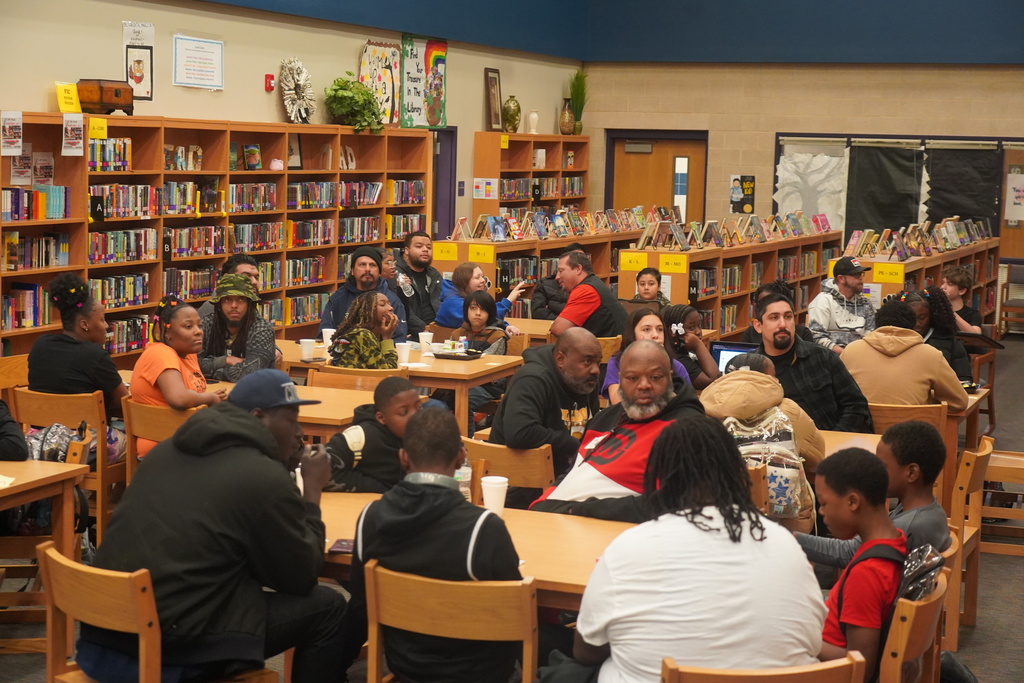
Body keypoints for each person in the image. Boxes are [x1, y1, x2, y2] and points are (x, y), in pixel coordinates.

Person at [76, 369, 346, 683]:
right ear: (259, 418)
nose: (300, 433)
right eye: (291, 419)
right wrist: (311, 490)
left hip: (103, 634)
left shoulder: (165, 451)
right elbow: (300, 578)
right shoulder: (261, 476)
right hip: (170, 649)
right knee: (328, 607)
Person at [568, 416, 826, 681]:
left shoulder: (627, 549)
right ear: (736, 470)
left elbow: (586, 651)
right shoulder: (787, 546)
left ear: (660, 476)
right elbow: (813, 641)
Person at [339, 407, 522, 683]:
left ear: (403, 457)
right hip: (480, 672)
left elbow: (361, 603)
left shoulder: (370, 517)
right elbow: (515, 615)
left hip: (405, 665)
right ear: (461, 458)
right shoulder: (482, 527)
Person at [531, 341, 704, 523]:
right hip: (550, 516)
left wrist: (576, 510)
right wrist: (546, 503)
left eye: (655, 377)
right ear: (620, 380)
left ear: (669, 377)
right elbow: (574, 470)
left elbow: (674, 503)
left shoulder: (687, 430)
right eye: (632, 378)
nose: (643, 385)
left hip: (600, 529)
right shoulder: (605, 418)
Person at [700, 352, 825, 533]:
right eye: (775, 376)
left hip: (723, 521)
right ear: (767, 379)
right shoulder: (788, 411)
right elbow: (818, 458)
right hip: (787, 527)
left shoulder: (704, 413)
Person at [797, 421, 951, 568]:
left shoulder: (909, 526)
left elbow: (847, 553)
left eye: (882, 466)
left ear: (911, 473)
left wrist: (787, 537)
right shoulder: (927, 510)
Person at [816, 447, 906, 683]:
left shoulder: (868, 573)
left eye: (824, 503)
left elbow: (860, 668)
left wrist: (802, 639)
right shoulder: (895, 539)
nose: (821, 512)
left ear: (853, 501)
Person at [752, 293, 872, 433]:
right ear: (758, 326)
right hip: (768, 448)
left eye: (788, 316)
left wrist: (833, 438)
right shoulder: (750, 369)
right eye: (774, 318)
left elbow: (856, 406)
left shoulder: (823, 357)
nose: (783, 324)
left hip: (826, 443)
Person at [489, 328, 602, 475]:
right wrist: (571, 444)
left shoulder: (586, 381)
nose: (595, 370)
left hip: (569, 473)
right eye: (587, 361)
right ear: (561, 359)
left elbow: (592, 428)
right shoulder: (533, 379)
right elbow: (520, 433)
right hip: (520, 479)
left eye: (598, 363)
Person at [128, 296, 228, 456]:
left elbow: (189, 395)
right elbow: (179, 399)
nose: (198, 331)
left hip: (187, 436)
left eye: (199, 325)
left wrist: (206, 398)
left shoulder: (188, 354)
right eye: (188, 326)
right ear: (167, 332)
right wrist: (209, 399)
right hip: (163, 445)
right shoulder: (160, 353)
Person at [28, 273, 128, 422]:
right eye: (102, 319)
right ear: (84, 325)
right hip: (86, 440)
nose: (107, 325)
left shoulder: (40, 345)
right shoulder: (95, 355)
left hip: (40, 437)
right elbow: (123, 401)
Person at [840, 299, 968, 411]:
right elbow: (959, 402)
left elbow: (836, 397)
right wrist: (926, 400)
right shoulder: (931, 355)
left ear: (876, 323)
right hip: (911, 434)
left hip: (860, 433)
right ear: (912, 325)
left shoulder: (851, 351)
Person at [325, 376, 423, 492]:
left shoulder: (425, 434)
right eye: (403, 412)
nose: (415, 416)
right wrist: (377, 488)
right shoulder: (363, 437)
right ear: (381, 418)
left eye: (419, 407)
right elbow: (313, 470)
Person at [318, 246, 407, 341]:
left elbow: (399, 339)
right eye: (362, 265)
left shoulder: (391, 300)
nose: (367, 269)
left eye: (372, 265)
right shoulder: (338, 298)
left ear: (379, 272)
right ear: (352, 270)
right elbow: (324, 334)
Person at [198, 273, 276, 381]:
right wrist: (225, 360)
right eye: (227, 299)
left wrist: (213, 372)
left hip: (254, 394)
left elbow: (250, 374)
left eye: (241, 299)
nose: (234, 305)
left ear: (249, 304)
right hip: (212, 393)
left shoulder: (262, 329)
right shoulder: (207, 324)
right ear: (219, 305)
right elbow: (190, 364)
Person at [602, 307, 690, 403]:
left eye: (660, 329)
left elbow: (688, 405)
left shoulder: (676, 366)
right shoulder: (617, 363)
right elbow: (617, 403)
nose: (655, 335)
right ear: (632, 334)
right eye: (647, 329)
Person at [807, 256, 876, 354]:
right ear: (841, 278)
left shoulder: (865, 303)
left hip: (860, 358)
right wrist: (845, 354)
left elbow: (871, 336)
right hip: (831, 360)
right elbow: (816, 337)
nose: (861, 278)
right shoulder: (823, 301)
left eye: (861, 273)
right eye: (856, 274)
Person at [902, 288, 973, 382]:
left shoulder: (948, 340)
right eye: (911, 317)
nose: (917, 323)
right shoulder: (896, 340)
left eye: (922, 317)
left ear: (932, 315)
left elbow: (964, 378)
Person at [549, 251, 627, 338]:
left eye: (561, 271)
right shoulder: (593, 283)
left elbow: (559, 329)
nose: (557, 277)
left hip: (609, 349)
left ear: (578, 269)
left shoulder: (586, 291)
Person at [435, 261, 525, 331]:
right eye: (477, 277)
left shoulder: (468, 297)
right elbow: (484, 318)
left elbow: (490, 320)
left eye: (482, 277)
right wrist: (508, 301)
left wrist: (505, 326)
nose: (483, 280)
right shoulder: (452, 303)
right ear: (464, 281)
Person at [327, 291, 399, 370]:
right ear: (368, 310)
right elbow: (388, 372)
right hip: (354, 381)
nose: (390, 308)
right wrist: (387, 338)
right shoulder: (363, 335)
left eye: (389, 304)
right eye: (382, 304)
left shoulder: (373, 336)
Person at [393, 230, 442, 336]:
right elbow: (402, 309)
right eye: (419, 246)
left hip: (436, 328)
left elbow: (443, 300)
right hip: (414, 332)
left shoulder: (433, 274)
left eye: (428, 247)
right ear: (407, 250)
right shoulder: (397, 274)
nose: (425, 250)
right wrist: (423, 329)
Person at [661, 304, 720, 389]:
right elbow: (714, 380)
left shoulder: (685, 350)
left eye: (699, 326)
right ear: (672, 331)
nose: (698, 331)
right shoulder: (678, 359)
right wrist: (698, 345)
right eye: (691, 327)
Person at [741, 279, 815, 344]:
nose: (782, 324)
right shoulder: (751, 333)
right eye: (760, 303)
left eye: (787, 316)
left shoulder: (803, 334)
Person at [531, 242, 585, 320]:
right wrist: (565, 319)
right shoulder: (545, 284)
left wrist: (551, 306)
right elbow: (538, 314)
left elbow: (583, 314)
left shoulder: (589, 286)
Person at [197, 253, 259, 319]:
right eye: (246, 276)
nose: (254, 282)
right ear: (226, 278)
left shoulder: (248, 303)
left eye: (256, 277)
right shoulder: (212, 310)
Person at [940, 264, 983, 335]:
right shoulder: (936, 311)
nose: (942, 287)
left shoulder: (972, 315)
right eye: (943, 283)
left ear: (962, 291)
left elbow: (975, 335)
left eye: (949, 284)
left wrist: (949, 310)